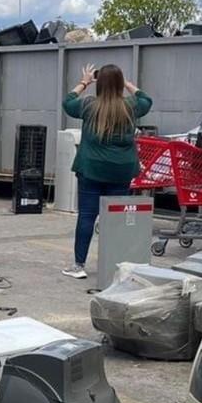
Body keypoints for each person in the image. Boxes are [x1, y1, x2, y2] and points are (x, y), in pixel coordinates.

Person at [61, 63, 152, 280]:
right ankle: (116, 263)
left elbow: (67, 102)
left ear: (98, 84)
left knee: (87, 217)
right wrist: (128, 84)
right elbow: (146, 100)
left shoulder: (89, 106)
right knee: (117, 219)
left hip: (91, 170)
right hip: (120, 172)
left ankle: (79, 265)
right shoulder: (130, 107)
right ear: (120, 84)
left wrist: (84, 82)